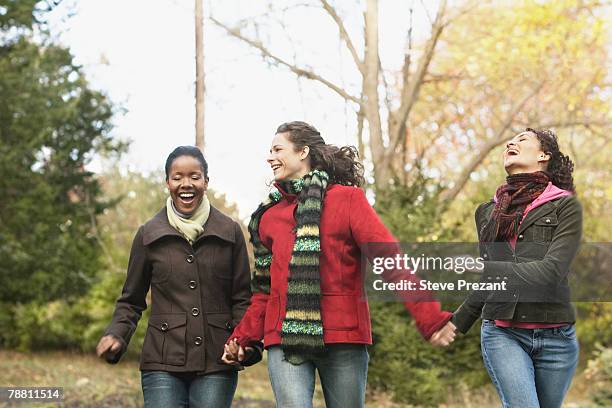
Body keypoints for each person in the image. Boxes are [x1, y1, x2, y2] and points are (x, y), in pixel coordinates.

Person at [222, 121, 456, 408]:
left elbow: (389, 259)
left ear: (303, 152)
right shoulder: (267, 218)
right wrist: (243, 338)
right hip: (284, 339)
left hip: (343, 337)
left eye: (277, 149)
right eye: (269, 150)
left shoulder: (348, 200)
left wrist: (429, 316)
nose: (270, 157)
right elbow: (264, 291)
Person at [95, 146, 260, 408]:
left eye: (195, 177)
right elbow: (131, 300)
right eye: (177, 177)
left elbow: (241, 298)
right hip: (162, 361)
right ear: (167, 182)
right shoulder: (148, 234)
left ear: (206, 181)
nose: (186, 184)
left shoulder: (230, 231)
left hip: (217, 361)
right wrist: (116, 334)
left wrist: (242, 342)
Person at [453, 128, 582, 408]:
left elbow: (551, 272)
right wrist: (456, 322)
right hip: (503, 332)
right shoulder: (488, 211)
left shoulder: (564, 205)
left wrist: (487, 269)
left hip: (556, 336)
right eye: (510, 140)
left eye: (522, 139)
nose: (511, 142)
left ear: (543, 155)